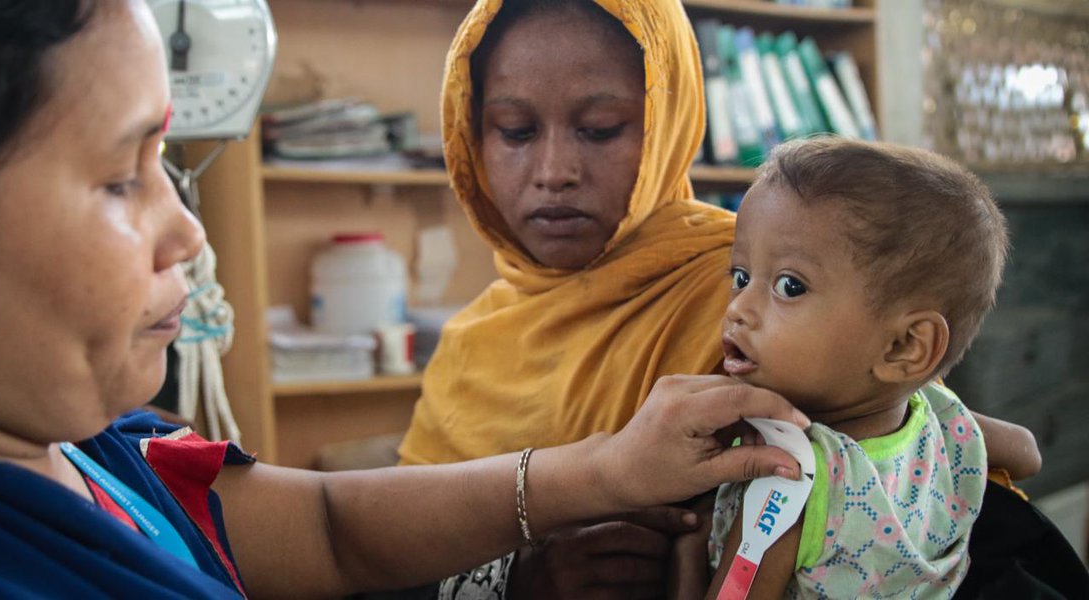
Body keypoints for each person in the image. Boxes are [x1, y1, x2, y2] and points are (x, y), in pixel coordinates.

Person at [0, 1, 814, 597]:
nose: (189, 233)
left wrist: (604, 474)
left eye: (602, 127)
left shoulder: (110, 454)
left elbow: (333, 529)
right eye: (119, 180)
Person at [393, 1, 1042, 598]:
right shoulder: (471, 341)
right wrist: (513, 580)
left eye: (599, 129)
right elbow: (384, 553)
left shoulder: (781, 291)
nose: (554, 171)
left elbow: (915, 458)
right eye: (514, 130)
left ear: (670, 119)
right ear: (469, 137)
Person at [668, 137, 1002, 598]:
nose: (737, 309)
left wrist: (685, 556)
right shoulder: (946, 420)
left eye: (789, 286)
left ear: (905, 346)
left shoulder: (789, 481)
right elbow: (1027, 452)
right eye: (741, 277)